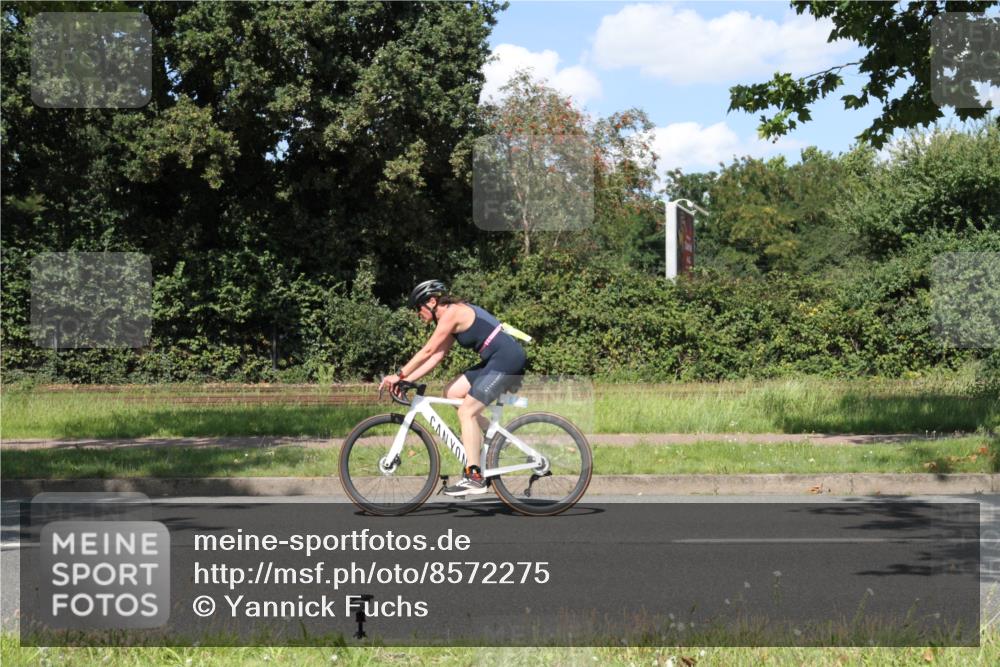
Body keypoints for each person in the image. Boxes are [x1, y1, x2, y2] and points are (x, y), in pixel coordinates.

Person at [379, 279, 527, 496]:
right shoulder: (447, 317)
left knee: (467, 412)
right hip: (495, 359)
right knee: (452, 392)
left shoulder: (452, 313)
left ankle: (475, 477)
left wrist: (398, 375)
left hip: (506, 359)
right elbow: (436, 357)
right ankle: (493, 439)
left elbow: (427, 351)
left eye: (418, 307)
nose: (417, 313)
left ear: (431, 301)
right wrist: (406, 379)